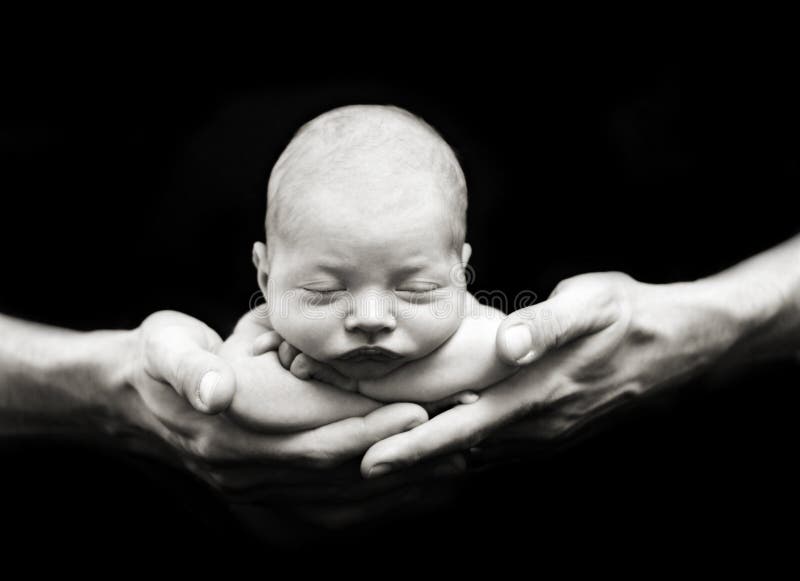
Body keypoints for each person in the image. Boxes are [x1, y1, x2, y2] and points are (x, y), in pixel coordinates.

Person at [224, 104, 516, 433]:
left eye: (415, 290)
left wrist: (351, 387)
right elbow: (238, 394)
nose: (371, 318)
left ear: (459, 274)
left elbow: (505, 351)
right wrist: (421, 399)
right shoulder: (263, 330)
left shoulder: (468, 320)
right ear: (266, 279)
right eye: (325, 291)